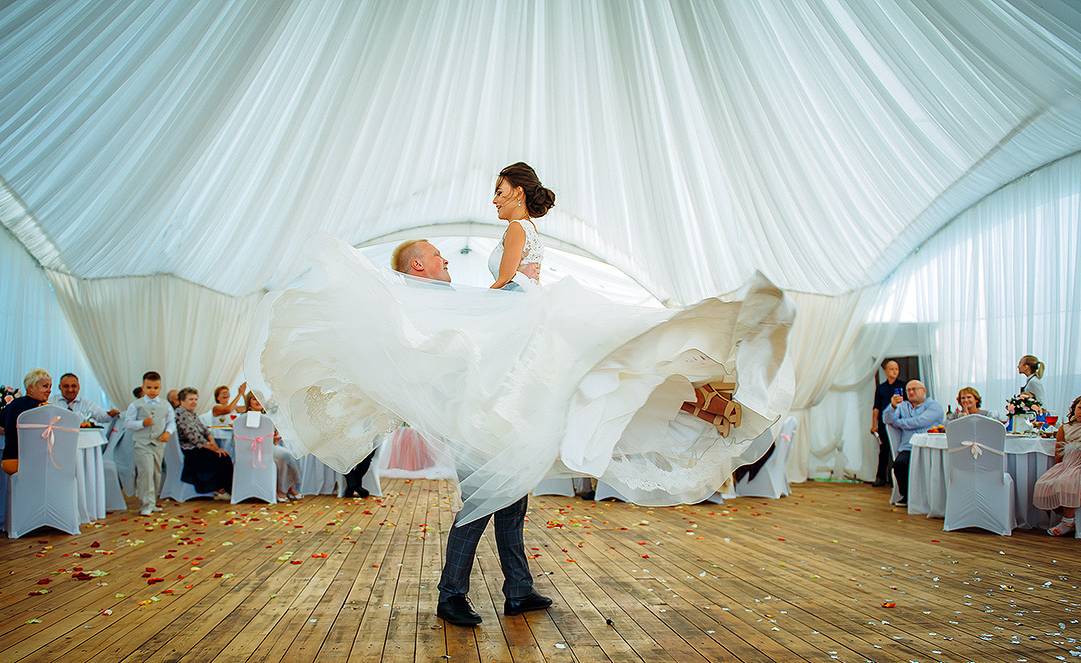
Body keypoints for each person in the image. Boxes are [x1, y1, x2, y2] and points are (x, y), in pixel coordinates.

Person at [246, 171, 794, 624]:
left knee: (511, 493)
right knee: (487, 498)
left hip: (501, 391)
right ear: (419, 266)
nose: (443, 257)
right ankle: (454, 595)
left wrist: (487, 323)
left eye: (500, 191)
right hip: (479, 411)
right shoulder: (436, 298)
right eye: (435, 255)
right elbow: (496, 300)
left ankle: (516, 588)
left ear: (518, 193)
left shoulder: (485, 267)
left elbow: (503, 296)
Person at [487, 162, 553, 290]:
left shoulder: (517, 227)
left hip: (515, 299)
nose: (495, 200)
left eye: (499, 193)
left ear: (518, 192)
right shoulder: (528, 227)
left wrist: (480, 302)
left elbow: (504, 279)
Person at [882, 379, 943, 506]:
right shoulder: (902, 406)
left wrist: (898, 423)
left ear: (924, 391)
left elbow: (920, 421)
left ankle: (930, 498)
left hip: (928, 447)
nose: (911, 392)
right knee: (898, 465)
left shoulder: (934, 405)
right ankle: (906, 496)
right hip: (908, 447)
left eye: (914, 389)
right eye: (908, 390)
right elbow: (887, 419)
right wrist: (892, 406)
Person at [1034, 393, 1081, 536]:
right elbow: (1059, 450)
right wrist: (1060, 466)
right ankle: (1066, 515)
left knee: (1067, 483)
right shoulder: (1065, 428)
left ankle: (1068, 521)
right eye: (1080, 408)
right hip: (1067, 463)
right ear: (1074, 408)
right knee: (1044, 484)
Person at [123, 371, 174, 516]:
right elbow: (128, 422)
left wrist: (167, 433)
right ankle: (145, 504)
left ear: (160, 388)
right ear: (143, 388)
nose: (153, 391)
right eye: (149, 387)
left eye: (156, 388)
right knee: (146, 471)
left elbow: (171, 422)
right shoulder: (136, 405)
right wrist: (141, 423)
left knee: (156, 473)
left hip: (158, 444)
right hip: (142, 443)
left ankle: (153, 502)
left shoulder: (166, 405)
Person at [173, 387, 232, 499]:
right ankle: (221, 490)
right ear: (182, 401)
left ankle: (224, 489)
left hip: (198, 447)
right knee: (222, 457)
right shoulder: (181, 414)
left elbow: (204, 430)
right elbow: (193, 437)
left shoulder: (191, 414)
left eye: (195, 399)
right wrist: (214, 448)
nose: (194, 402)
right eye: (191, 399)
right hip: (190, 450)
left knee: (224, 455)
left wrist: (212, 440)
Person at [0, 368, 53, 475]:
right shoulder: (44, 408)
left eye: (50, 386)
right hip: (33, 462)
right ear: (31, 388)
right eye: (45, 386)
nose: (49, 390)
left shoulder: (12, 404)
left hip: (9, 461)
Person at [245, 392, 301, 500]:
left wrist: (273, 439)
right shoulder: (248, 417)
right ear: (249, 402)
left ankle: (289, 488)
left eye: (260, 398)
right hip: (256, 450)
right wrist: (272, 440)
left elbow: (271, 436)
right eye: (254, 399)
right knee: (284, 457)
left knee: (293, 454)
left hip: (269, 447)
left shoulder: (267, 417)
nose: (257, 401)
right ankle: (283, 490)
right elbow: (252, 438)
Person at [870, 360, 903, 487]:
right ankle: (881, 477)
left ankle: (899, 481)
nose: (895, 371)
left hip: (898, 423)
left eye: (896, 369)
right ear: (886, 371)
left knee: (898, 450)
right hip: (883, 424)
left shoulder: (903, 386)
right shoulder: (881, 388)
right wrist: (874, 425)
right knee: (883, 450)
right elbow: (876, 408)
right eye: (892, 369)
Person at [52, 372, 119, 425]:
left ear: (79, 387)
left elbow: (101, 415)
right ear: (59, 387)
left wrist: (110, 414)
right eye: (66, 386)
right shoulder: (51, 402)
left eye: (73, 386)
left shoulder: (87, 404)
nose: (70, 389)